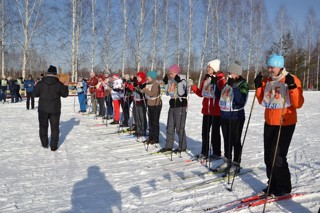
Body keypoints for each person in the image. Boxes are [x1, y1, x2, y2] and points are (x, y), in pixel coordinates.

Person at [254, 54, 304, 196]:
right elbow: (261, 101)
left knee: (277, 157)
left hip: (285, 123)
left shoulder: (292, 79)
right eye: (268, 67)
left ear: (280, 66)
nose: (269, 70)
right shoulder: (267, 81)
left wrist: (292, 87)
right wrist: (258, 86)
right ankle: (273, 184)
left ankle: (283, 187)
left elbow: (298, 104)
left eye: (272, 67)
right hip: (269, 122)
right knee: (268, 157)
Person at [216, 62, 249, 174]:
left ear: (237, 74)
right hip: (224, 115)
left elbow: (240, 101)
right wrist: (217, 85)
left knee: (235, 140)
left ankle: (236, 163)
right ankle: (227, 159)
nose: (229, 75)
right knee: (226, 139)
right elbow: (220, 96)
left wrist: (234, 86)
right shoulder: (227, 84)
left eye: (231, 73)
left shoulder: (242, 84)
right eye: (228, 73)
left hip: (236, 116)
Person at [191, 59, 226, 161]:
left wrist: (217, 85)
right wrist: (193, 87)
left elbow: (223, 94)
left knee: (215, 132)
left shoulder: (220, 79)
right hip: (207, 110)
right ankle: (204, 152)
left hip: (216, 111)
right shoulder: (206, 79)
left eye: (209, 67)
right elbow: (201, 93)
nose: (207, 68)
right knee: (205, 132)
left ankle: (216, 152)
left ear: (214, 68)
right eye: (207, 67)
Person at [33, 65, 69, 151]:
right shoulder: (59, 84)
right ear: (55, 74)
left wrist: (36, 86)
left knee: (43, 126)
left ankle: (44, 144)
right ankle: (53, 146)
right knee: (55, 127)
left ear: (47, 73)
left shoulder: (40, 83)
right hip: (55, 109)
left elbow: (35, 94)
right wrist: (66, 86)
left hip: (43, 109)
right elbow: (65, 95)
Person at [159, 64, 188, 153]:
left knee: (179, 127)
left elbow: (181, 92)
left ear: (176, 73)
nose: (170, 75)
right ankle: (168, 146)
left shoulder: (182, 80)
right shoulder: (171, 81)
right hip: (172, 104)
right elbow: (166, 93)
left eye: (171, 73)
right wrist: (165, 83)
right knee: (170, 126)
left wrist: (178, 83)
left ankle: (182, 147)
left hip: (180, 105)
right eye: (169, 73)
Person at [142, 70, 162, 145]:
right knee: (150, 121)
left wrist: (145, 90)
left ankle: (155, 138)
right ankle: (150, 137)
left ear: (152, 77)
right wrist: (140, 89)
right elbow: (144, 92)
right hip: (149, 104)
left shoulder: (156, 84)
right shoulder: (148, 84)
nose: (147, 78)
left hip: (156, 104)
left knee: (155, 122)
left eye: (149, 77)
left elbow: (152, 94)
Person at [128, 71, 147, 141]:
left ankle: (143, 130)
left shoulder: (144, 83)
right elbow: (132, 89)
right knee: (137, 116)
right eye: (137, 77)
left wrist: (138, 89)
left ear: (142, 77)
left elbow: (143, 92)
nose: (138, 78)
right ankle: (138, 130)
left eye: (139, 77)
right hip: (136, 101)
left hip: (142, 102)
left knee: (142, 117)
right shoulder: (137, 83)